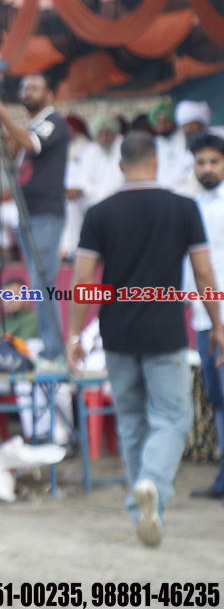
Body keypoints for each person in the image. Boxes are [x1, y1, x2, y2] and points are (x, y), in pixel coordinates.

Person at [66, 132, 224, 547]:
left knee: (132, 421)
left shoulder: (99, 213)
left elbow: (83, 278)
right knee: (173, 417)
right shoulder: (184, 207)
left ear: (121, 165)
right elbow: (204, 273)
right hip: (165, 330)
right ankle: (152, 483)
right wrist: (218, 324)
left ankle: (142, 510)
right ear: (156, 161)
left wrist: (74, 334)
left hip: (116, 332)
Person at [0, 73, 69, 365]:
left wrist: (0, 112)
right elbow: (15, 152)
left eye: (35, 87)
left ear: (49, 95)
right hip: (27, 212)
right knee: (38, 282)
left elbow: (31, 145)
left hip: (45, 212)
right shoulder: (31, 125)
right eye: (25, 87)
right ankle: (50, 348)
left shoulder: (54, 121)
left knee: (43, 282)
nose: (28, 91)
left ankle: (54, 352)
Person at [186, 133, 224, 501]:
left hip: (222, 320)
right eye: (201, 162)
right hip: (203, 317)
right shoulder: (193, 204)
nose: (207, 168)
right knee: (218, 398)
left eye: (214, 161)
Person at [63, 116, 124, 258]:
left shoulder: (122, 147)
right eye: (100, 134)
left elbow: (119, 182)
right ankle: (73, 250)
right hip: (94, 195)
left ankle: (108, 250)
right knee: (71, 205)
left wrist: (90, 191)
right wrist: (79, 191)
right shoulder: (92, 150)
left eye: (107, 133)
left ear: (114, 133)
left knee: (103, 203)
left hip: (117, 196)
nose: (103, 137)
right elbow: (85, 180)